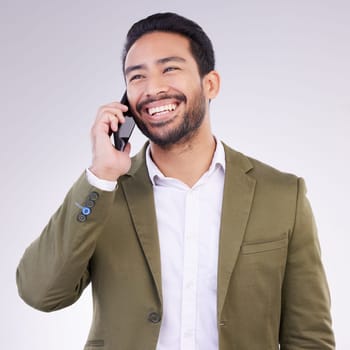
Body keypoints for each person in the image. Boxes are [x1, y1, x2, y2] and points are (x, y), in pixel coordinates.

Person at [16, 12, 335, 350]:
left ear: (210, 84)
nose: (153, 89)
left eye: (169, 69)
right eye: (137, 77)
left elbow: (309, 337)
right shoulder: (106, 195)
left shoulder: (282, 195)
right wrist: (101, 176)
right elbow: (40, 292)